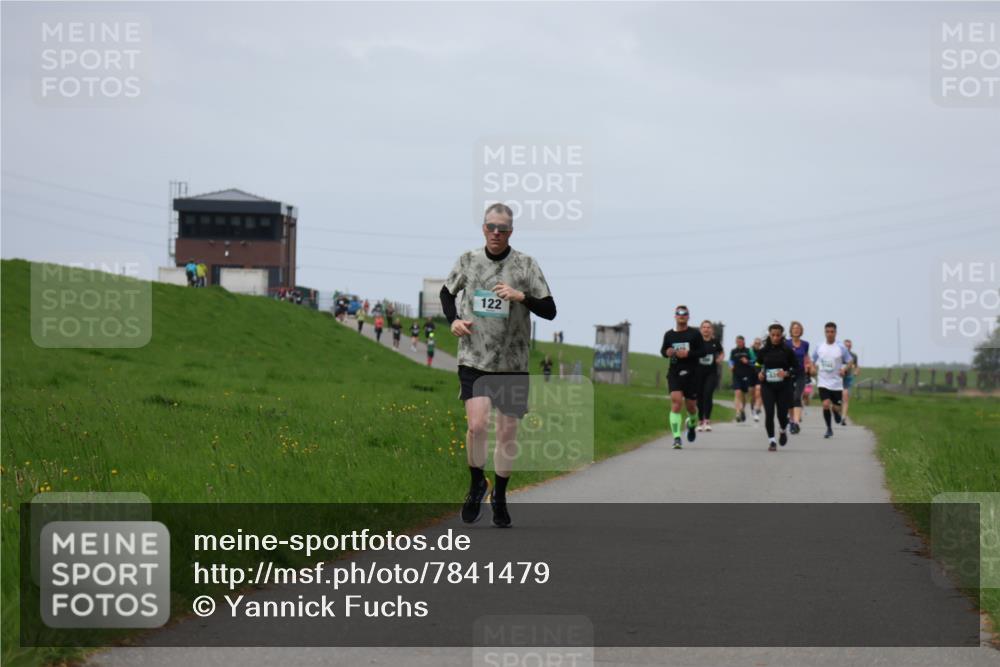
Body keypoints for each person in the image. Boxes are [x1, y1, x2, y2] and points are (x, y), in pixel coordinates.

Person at [440, 202, 556, 529]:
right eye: (491, 227)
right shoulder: (468, 260)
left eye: (502, 229)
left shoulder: (525, 265)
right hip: (474, 358)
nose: (496, 233)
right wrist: (454, 321)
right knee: (477, 426)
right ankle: (477, 482)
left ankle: (500, 494)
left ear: (510, 232)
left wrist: (521, 297)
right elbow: (448, 294)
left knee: (507, 434)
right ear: (483, 229)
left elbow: (550, 310)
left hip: (513, 364)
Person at [661, 305, 703, 449]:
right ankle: (677, 438)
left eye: (684, 314)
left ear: (688, 316)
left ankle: (691, 424)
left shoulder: (695, 334)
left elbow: (703, 352)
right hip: (674, 373)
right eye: (679, 313)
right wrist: (668, 352)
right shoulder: (669, 335)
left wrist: (688, 353)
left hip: (692, 374)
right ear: (675, 316)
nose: (682, 316)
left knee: (691, 407)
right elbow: (663, 351)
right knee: (676, 402)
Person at [755, 323, 797, 451]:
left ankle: (783, 430)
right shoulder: (764, 351)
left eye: (778, 335)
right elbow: (757, 364)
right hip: (768, 386)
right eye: (773, 335)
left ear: (781, 335)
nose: (775, 338)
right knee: (769, 413)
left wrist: (787, 373)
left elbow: (796, 367)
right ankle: (772, 441)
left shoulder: (787, 351)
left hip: (784, 386)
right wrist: (759, 373)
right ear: (769, 335)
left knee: (781, 414)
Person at [811, 322, 853, 439]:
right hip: (823, 381)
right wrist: (813, 368)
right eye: (827, 332)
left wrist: (844, 369)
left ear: (835, 333)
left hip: (836, 383)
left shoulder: (841, 347)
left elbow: (850, 361)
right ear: (825, 332)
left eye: (832, 332)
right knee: (825, 404)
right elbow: (812, 360)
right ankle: (829, 428)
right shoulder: (819, 346)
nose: (829, 334)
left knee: (836, 407)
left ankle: (835, 412)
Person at [695, 320, 724, 431]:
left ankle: (707, 420)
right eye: (704, 327)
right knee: (700, 397)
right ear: (701, 329)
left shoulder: (715, 342)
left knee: (708, 394)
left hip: (711, 373)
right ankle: (700, 420)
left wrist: (719, 359)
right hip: (698, 373)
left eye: (708, 327)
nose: (706, 329)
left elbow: (721, 352)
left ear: (711, 330)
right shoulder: (696, 342)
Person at [786, 321, 811, 435]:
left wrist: (808, 365)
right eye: (794, 328)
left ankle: (796, 423)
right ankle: (791, 420)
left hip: (801, 374)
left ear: (801, 331)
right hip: (788, 374)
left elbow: (806, 357)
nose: (796, 330)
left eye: (798, 328)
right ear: (791, 331)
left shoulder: (805, 344)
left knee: (797, 397)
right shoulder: (786, 343)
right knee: (789, 398)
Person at [729, 335, 756, 423]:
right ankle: (737, 413)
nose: (739, 343)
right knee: (737, 392)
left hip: (746, 375)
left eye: (740, 342)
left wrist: (747, 361)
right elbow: (730, 360)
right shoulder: (733, 351)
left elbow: (755, 361)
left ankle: (742, 410)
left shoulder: (748, 351)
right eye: (737, 342)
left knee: (743, 395)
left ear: (743, 342)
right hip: (736, 375)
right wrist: (731, 365)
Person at [842, 339, 859, 426]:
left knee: (846, 397)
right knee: (837, 398)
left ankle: (844, 417)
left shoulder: (854, 356)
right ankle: (836, 411)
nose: (847, 347)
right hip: (838, 378)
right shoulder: (839, 354)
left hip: (848, 378)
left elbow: (856, 367)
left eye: (849, 346)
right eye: (846, 346)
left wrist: (856, 371)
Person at [750, 337, 764, 421]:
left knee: (759, 391)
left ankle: (757, 409)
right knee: (753, 394)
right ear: (753, 343)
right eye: (756, 343)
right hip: (751, 374)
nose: (757, 345)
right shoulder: (749, 351)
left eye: (759, 343)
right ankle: (752, 408)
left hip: (759, 374)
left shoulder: (762, 352)